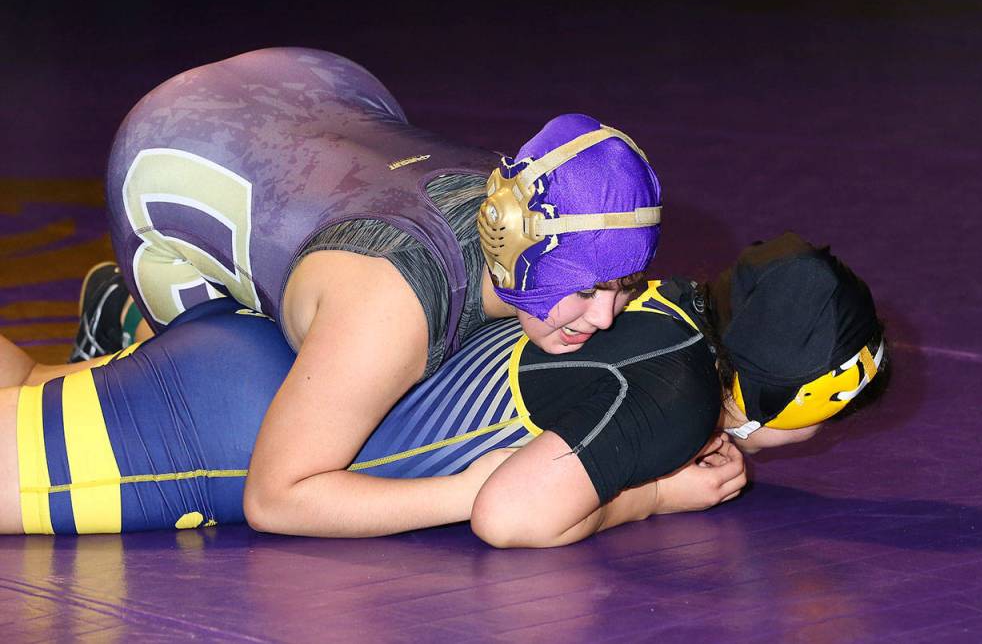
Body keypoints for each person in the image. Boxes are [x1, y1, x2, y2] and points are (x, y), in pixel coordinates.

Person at [51, 47, 664, 537]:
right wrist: (473, 490)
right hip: (174, 148)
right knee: (231, 379)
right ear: (509, 238)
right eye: (586, 292)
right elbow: (276, 498)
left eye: (625, 288)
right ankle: (121, 316)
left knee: (342, 367)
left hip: (323, 81)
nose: (607, 317)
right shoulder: (389, 306)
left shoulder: (536, 204)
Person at [1, 233, 887, 546]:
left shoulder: (647, 298)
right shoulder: (675, 397)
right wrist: (652, 495)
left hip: (277, 357)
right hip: (225, 436)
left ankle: (118, 335)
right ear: (801, 404)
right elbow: (513, 517)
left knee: (33, 389)